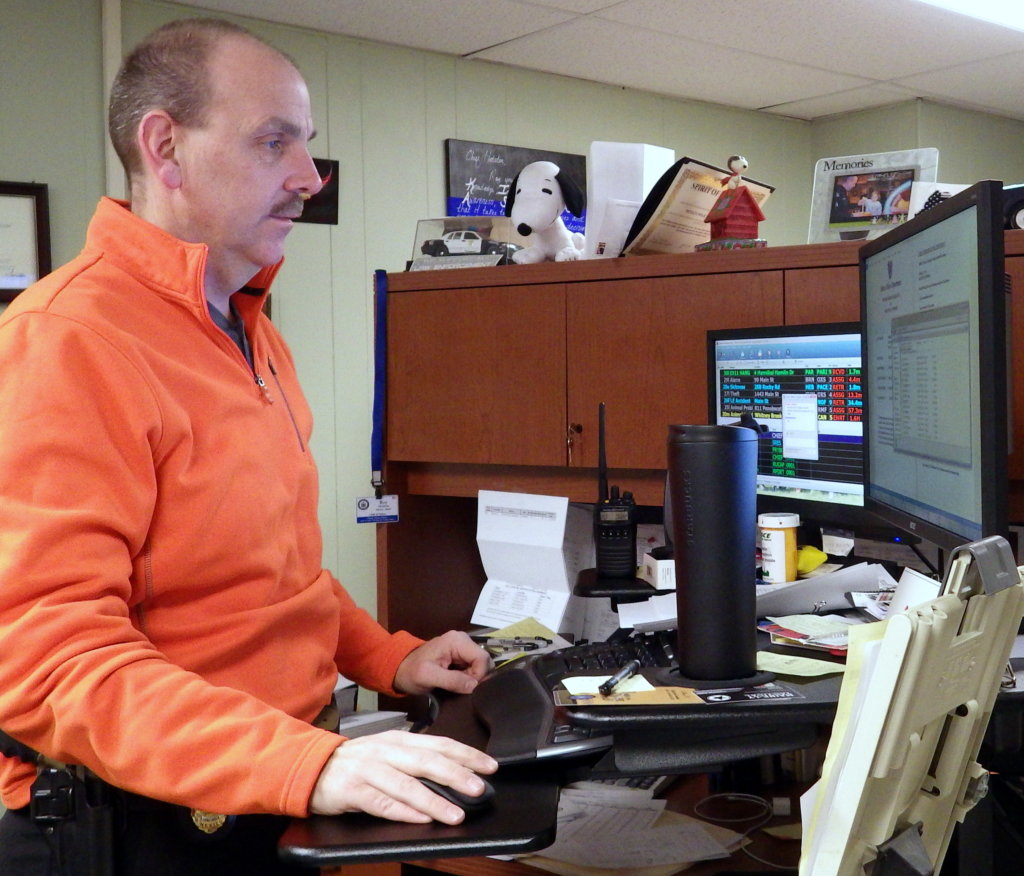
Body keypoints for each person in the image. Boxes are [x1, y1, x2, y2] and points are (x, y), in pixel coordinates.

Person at [0, 17, 497, 875]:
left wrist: (390, 658)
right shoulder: (68, 338)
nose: (310, 177)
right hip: (144, 819)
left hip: (270, 780)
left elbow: (276, 570)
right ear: (165, 148)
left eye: (306, 143)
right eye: (275, 143)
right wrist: (306, 764)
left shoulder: (250, 329)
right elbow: (48, 657)